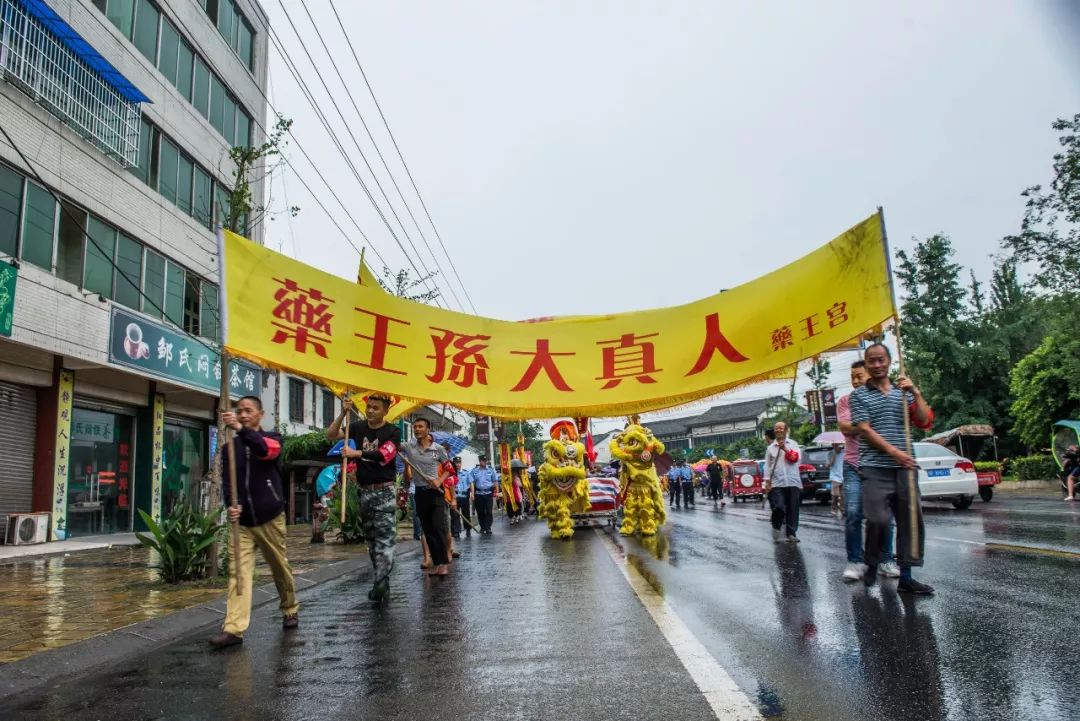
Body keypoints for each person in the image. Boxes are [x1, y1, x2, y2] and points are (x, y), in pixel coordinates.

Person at [210, 396, 298, 648]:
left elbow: (264, 450)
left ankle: (290, 607)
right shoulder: (230, 447)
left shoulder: (274, 438)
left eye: (248, 411)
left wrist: (242, 430)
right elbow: (228, 480)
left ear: (261, 413)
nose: (243, 415)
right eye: (239, 411)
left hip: (270, 516)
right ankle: (234, 628)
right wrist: (231, 504)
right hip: (243, 523)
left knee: (279, 567)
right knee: (239, 572)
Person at [850, 343, 936, 594]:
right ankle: (872, 560)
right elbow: (864, 430)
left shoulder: (903, 392)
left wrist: (916, 392)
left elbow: (924, 420)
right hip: (875, 467)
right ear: (866, 365)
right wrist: (895, 453)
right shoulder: (859, 396)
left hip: (905, 467)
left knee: (910, 520)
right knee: (878, 518)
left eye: (881, 360)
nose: (877, 365)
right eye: (872, 361)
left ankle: (906, 577)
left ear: (889, 362)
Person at [326, 393, 401, 603]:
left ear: (386, 410)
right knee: (372, 540)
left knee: (385, 538)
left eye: (376, 408)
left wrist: (355, 453)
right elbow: (331, 435)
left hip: (384, 492)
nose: (370, 411)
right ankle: (381, 580)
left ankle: (380, 581)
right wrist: (343, 413)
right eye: (368, 407)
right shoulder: (357, 427)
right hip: (364, 491)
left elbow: (385, 455)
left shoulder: (393, 431)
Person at [838, 360, 898, 581]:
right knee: (853, 513)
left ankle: (886, 560)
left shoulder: (887, 397)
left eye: (859, 376)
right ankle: (855, 561)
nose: (855, 381)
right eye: (852, 376)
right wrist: (868, 427)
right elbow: (846, 429)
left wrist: (865, 427)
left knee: (885, 516)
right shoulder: (845, 401)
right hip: (854, 465)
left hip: (880, 465)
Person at [400, 418, 452, 577]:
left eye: (420, 426)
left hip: (436, 492)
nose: (417, 429)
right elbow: (393, 446)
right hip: (420, 493)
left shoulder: (438, 449)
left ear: (428, 429)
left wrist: (439, 480)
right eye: (415, 427)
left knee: (438, 527)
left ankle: (443, 563)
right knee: (427, 530)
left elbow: (449, 469)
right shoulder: (409, 447)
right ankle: (437, 563)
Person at [764, 421, 802, 543]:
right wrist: (767, 482)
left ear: (786, 430)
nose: (779, 430)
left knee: (792, 509)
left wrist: (784, 448)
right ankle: (776, 524)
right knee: (779, 506)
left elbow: (794, 459)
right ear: (774, 431)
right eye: (776, 428)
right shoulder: (770, 448)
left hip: (792, 481)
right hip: (777, 483)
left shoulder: (794, 444)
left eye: (781, 428)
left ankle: (791, 533)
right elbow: (767, 466)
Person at [470, 455, 499, 534]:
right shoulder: (474, 471)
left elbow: (495, 481)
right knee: (480, 512)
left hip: (488, 493)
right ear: (480, 461)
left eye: (486, 461)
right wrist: (472, 494)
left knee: (489, 511)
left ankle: (488, 527)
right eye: (483, 461)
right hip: (478, 494)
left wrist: (497, 492)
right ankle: (482, 527)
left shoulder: (490, 470)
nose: (485, 462)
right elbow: (472, 482)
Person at [455, 457, 475, 537]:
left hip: (464, 496)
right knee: (455, 514)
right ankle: (456, 531)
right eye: (456, 463)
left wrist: (472, 494)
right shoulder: (451, 474)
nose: (457, 464)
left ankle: (467, 528)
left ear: (461, 463)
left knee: (466, 513)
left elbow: (471, 483)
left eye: (459, 463)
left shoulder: (466, 473)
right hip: (455, 496)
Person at [828, 443, 845, 518]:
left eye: (836, 444)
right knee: (835, 495)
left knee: (843, 495)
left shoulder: (844, 452)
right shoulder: (830, 453)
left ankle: (842, 509)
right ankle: (833, 509)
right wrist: (833, 459)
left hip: (844, 475)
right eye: (834, 444)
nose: (835, 445)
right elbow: (827, 465)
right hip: (835, 476)